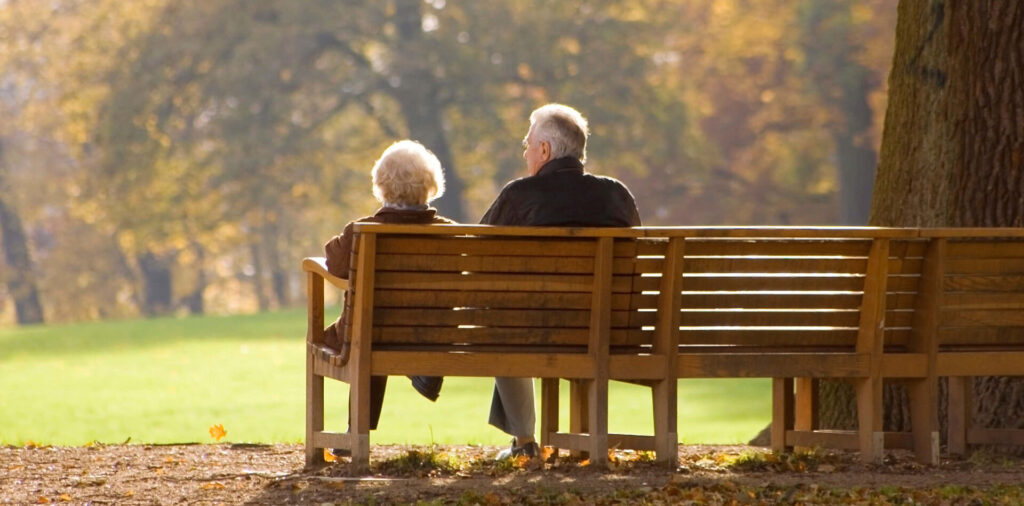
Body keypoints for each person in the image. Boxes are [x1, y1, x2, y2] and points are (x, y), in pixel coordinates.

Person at [480, 104, 641, 459]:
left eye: (527, 143)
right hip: (613, 331)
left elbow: (476, 257)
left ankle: (524, 443)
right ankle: (542, 440)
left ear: (545, 150)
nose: (525, 152)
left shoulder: (518, 195)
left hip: (533, 333)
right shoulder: (617, 194)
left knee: (500, 317)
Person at [322, 140, 454, 450]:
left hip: (370, 334)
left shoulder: (361, 231)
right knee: (378, 321)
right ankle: (420, 368)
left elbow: (335, 265)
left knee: (367, 326)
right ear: (431, 185)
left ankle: (356, 432)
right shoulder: (451, 233)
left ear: (381, 185)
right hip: (427, 337)